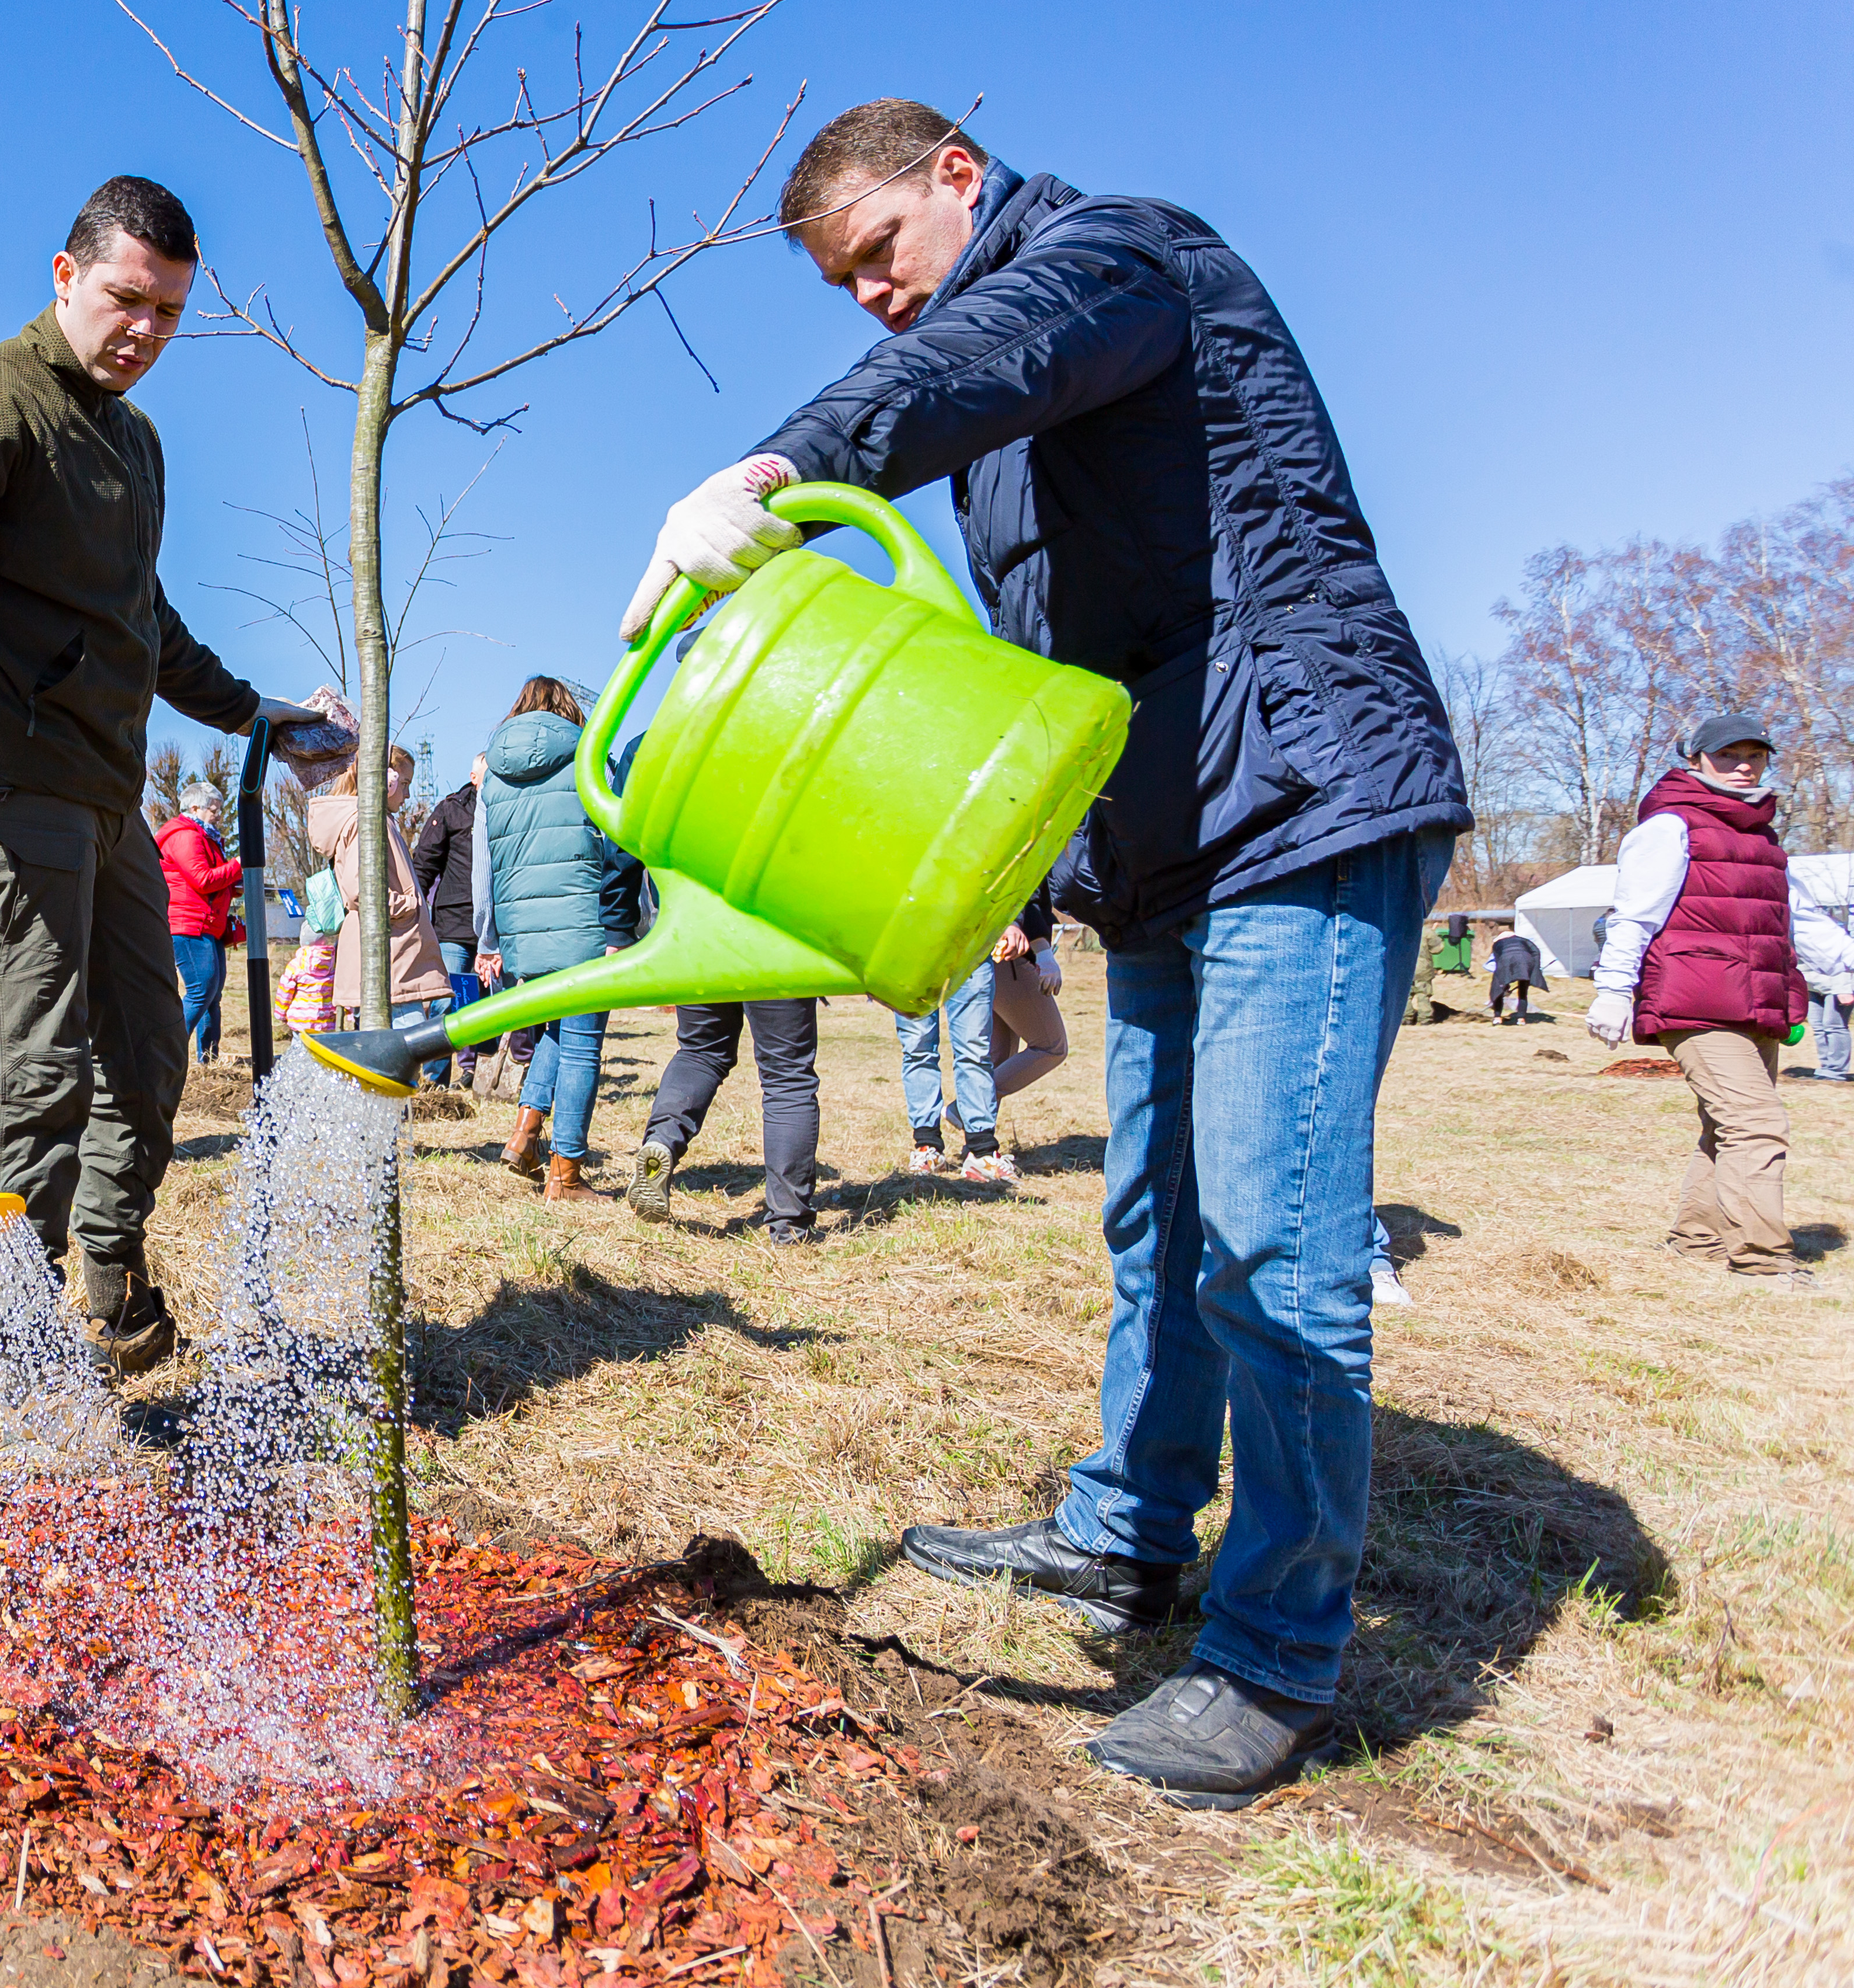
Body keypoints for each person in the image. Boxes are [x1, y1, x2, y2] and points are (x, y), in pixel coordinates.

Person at [626, 100, 1469, 1807]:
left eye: (882, 253)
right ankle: (1129, 1535)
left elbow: (982, 358)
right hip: (1166, 845)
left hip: (1302, 794)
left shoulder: (1112, 257)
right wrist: (1028, 903)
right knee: (1156, 1215)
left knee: (1277, 1241)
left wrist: (778, 464)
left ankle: (1279, 1653)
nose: (873, 296)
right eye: (841, 282)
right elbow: (1045, 681)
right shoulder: (992, 398)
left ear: (960, 173)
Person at [0, 176, 324, 1374]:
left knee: (152, 1059)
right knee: (36, 1062)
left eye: (168, 313)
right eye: (124, 300)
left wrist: (260, 715)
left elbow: (144, 624)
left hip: (108, 802)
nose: (144, 332)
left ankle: (110, 1287)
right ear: (65, 277)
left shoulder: (137, 443)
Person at [1585, 712, 1854, 1280]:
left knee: (1724, 1127)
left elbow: (1798, 919)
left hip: (1758, 1004)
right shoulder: (1670, 828)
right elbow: (1632, 915)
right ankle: (1762, 1260)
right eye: (1729, 754)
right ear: (1696, 759)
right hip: (1696, 1005)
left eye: (1755, 755)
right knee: (1757, 1125)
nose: (1743, 765)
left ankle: (1697, 1240)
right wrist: (1613, 990)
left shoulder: (1760, 837)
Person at [483, 677, 644, 1200]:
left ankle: (524, 1137)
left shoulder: (493, 773)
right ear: (568, 711)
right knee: (582, 1043)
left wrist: (495, 936)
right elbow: (618, 835)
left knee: (557, 1029)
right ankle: (566, 1174)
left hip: (521, 927)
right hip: (581, 918)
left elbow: (487, 861)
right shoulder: (589, 756)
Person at [629, 997, 824, 1241]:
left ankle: (662, 1141)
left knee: (700, 1052)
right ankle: (790, 1228)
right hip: (779, 962)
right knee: (786, 1076)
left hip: (700, 960)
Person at [312, 745, 454, 1033]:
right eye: (404, 784)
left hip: (394, 956)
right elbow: (362, 891)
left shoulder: (374, 820)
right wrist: (411, 906)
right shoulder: (366, 822)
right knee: (403, 1053)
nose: (408, 794)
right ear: (383, 781)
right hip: (391, 958)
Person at [411, 758, 491, 1087]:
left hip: (496, 926)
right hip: (454, 923)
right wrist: (415, 917)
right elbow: (424, 864)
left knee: (490, 1004)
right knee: (448, 1000)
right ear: (473, 776)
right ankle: (436, 1080)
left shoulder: (507, 809)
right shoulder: (451, 810)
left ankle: (480, 1074)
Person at [896, 963, 1011, 1182]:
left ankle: (982, 1153)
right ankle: (927, 1147)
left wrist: (1012, 926)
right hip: (911, 951)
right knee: (917, 1048)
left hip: (971, 946)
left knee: (975, 1050)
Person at [156, 781, 242, 1063]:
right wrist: (240, 864)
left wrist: (232, 886)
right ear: (194, 808)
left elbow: (212, 880)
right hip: (189, 925)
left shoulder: (205, 837)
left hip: (208, 926)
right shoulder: (186, 837)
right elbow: (203, 879)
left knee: (211, 995)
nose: (219, 815)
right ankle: (166, 1055)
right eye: (214, 810)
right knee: (201, 990)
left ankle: (208, 1059)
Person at [989, 900, 1071, 1102]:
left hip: (993, 947)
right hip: (1011, 951)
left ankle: (980, 1132)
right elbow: (1028, 897)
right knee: (1051, 1047)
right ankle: (968, 1107)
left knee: (1000, 1056)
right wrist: (1042, 950)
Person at [1485, 919, 1546, 1024]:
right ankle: (1521, 1019)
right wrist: (1534, 969)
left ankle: (1497, 1018)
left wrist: (1503, 986)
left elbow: (1496, 963)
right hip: (1526, 963)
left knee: (1498, 989)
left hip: (1507, 962)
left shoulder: (1498, 944)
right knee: (1523, 991)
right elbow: (1536, 952)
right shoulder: (1525, 941)